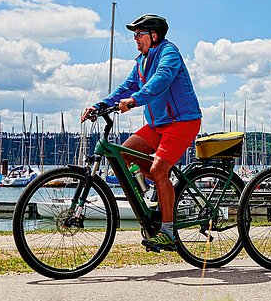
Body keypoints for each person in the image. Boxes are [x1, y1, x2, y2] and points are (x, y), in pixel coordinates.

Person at [81, 14, 201, 252]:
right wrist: (99, 105)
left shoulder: (169, 53)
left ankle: (168, 232)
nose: (135, 38)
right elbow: (126, 87)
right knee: (123, 157)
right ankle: (160, 190)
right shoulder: (142, 61)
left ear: (153, 35)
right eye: (134, 35)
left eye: (139, 34)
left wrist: (135, 100)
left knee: (158, 169)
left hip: (182, 121)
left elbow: (161, 79)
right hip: (158, 124)